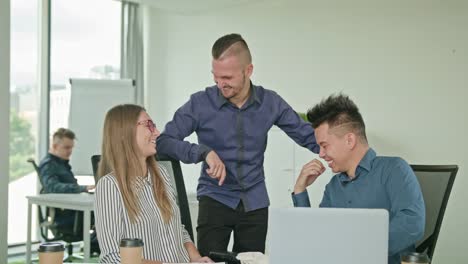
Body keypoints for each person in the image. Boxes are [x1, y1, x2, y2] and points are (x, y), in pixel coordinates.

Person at [157, 33, 320, 256]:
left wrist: (345, 154)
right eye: (216, 77)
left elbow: (308, 136)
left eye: (228, 77)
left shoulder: (271, 102)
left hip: (255, 202)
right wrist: (203, 152)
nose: (221, 84)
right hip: (214, 199)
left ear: (248, 70)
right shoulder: (199, 103)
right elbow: (164, 142)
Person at [291, 94, 425, 264]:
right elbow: (317, 238)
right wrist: (300, 190)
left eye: (324, 145)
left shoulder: (394, 169)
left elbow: (411, 224)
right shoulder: (334, 187)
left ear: (349, 140)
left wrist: (359, 251)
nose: (321, 154)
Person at [94, 104, 213, 263]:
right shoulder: (109, 186)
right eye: (148, 125)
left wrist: (197, 259)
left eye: (154, 126)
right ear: (124, 134)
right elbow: (112, 257)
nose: (156, 132)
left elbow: (178, 229)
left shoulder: (162, 175)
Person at [39, 128, 97, 249]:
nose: (70, 151)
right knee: (102, 214)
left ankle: (95, 245)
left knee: (105, 211)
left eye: (71, 147)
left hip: (75, 212)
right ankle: (95, 245)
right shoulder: (48, 164)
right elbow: (52, 187)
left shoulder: (63, 164)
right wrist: (83, 188)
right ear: (55, 146)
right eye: (66, 147)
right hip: (66, 217)